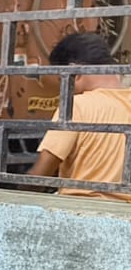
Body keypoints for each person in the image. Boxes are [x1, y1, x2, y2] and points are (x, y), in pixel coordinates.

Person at [26, 31, 131, 203]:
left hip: (81, 209)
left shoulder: (76, 106)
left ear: (75, 72)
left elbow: (41, 173)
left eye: (62, 80)